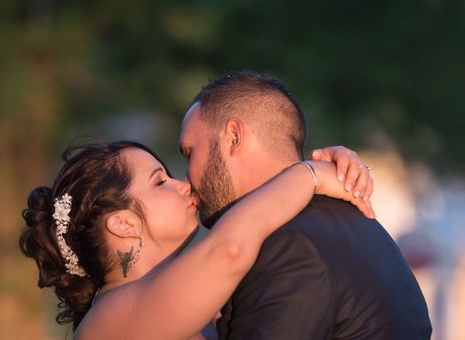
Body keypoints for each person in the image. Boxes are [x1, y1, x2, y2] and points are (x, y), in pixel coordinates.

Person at [20, 139, 374, 339]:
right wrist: (309, 175)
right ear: (124, 224)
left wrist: (337, 170)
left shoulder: (185, 302)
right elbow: (229, 250)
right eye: (160, 182)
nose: (183, 185)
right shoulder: (106, 323)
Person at [179, 69, 432, 339]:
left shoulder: (288, 244)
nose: (186, 179)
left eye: (190, 152)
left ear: (233, 137)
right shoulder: (358, 225)